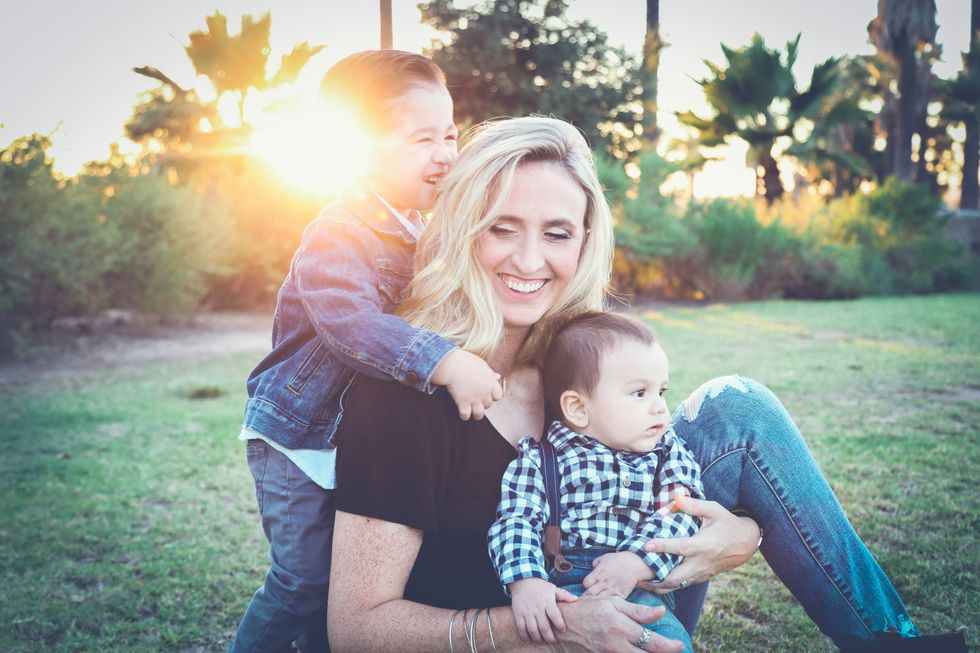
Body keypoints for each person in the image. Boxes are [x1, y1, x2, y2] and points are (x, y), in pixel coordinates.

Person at [328, 115, 963, 652]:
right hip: (531, 634)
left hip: (627, 600)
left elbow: (663, 476)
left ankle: (891, 642)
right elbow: (355, 628)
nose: (529, 261)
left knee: (737, 409)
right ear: (463, 229)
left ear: (583, 243)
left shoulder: (573, 358)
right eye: (502, 227)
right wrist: (551, 628)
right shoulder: (406, 391)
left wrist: (739, 538)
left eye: (556, 234)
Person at [228, 50, 503, 653]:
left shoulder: (420, 229)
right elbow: (349, 322)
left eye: (450, 133)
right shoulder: (338, 231)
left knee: (346, 587)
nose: (445, 153)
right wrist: (443, 360)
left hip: (353, 438)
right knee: (302, 581)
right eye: (422, 138)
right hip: (298, 439)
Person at [489, 311, 702, 652]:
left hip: (639, 590)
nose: (660, 408)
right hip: (562, 594)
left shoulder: (667, 451)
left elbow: (682, 509)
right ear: (577, 408)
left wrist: (636, 562)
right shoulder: (542, 458)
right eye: (639, 393)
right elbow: (516, 521)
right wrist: (526, 581)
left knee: (668, 645)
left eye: (661, 391)